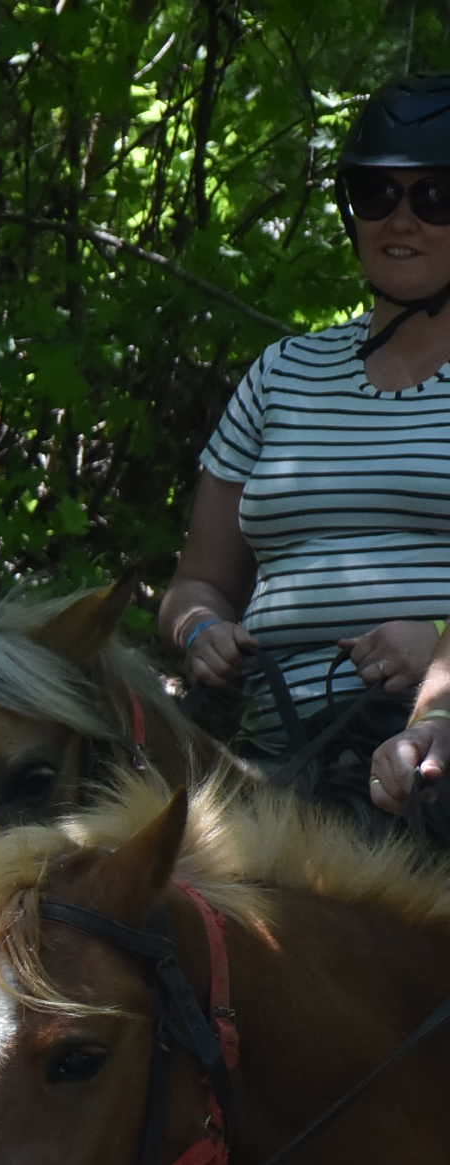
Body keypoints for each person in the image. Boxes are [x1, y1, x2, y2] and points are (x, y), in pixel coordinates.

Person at [163, 76, 450, 789]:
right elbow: (197, 582)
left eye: (436, 196)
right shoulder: (282, 372)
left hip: (433, 759)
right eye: (375, 195)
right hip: (277, 763)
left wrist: (439, 653)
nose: (401, 220)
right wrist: (200, 631)